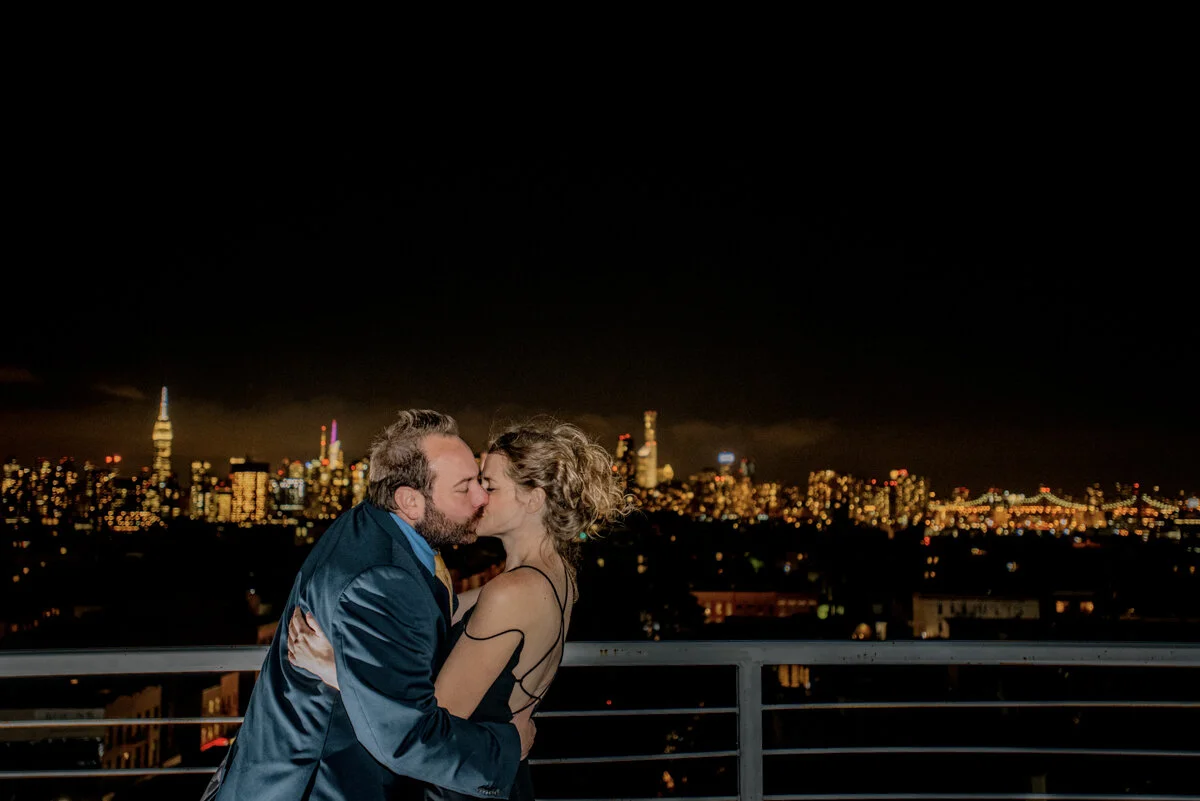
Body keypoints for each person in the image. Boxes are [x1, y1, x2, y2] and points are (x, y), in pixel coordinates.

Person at [287, 415, 636, 801]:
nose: (480, 498)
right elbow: (444, 613)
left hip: (460, 786)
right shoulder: (553, 575)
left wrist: (334, 669)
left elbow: (432, 721)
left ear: (534, 498)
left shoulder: (514, 592)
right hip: (496, 775)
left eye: (489, 485)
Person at [201, 409, 535, 801]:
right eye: (465, 487)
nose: (481, 497)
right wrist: (506, 751)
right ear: (409, 500)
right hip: (316, 788)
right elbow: (405, 737)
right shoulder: (380, 579)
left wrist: (340, 672)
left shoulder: (369, 525)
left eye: (479, 480)